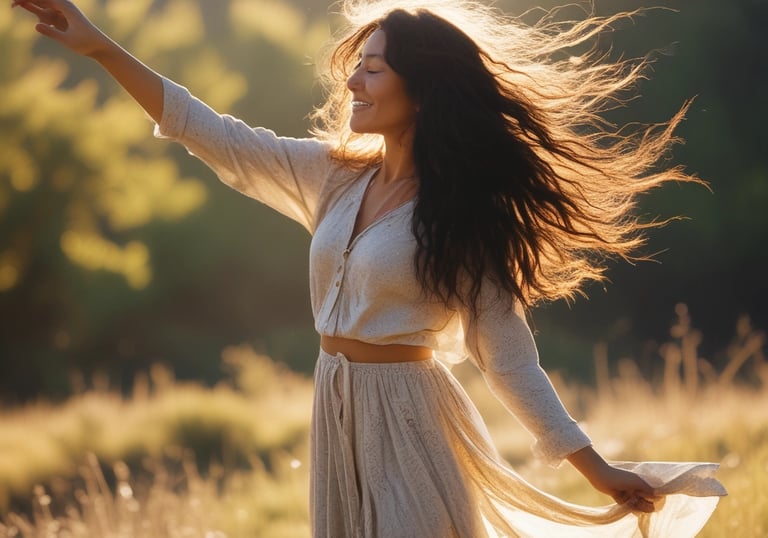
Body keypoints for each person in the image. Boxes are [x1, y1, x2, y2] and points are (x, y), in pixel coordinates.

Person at [13, 0, 726, 536]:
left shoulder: (464, 214)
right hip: (336, 403)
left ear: (423, 89)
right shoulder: (333, 177)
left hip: (411, 417)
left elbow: (506, 354)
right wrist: (103, 49)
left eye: (374, 67)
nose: (353, 79)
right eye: (358, 64)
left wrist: (594, 468)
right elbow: (214, 134)